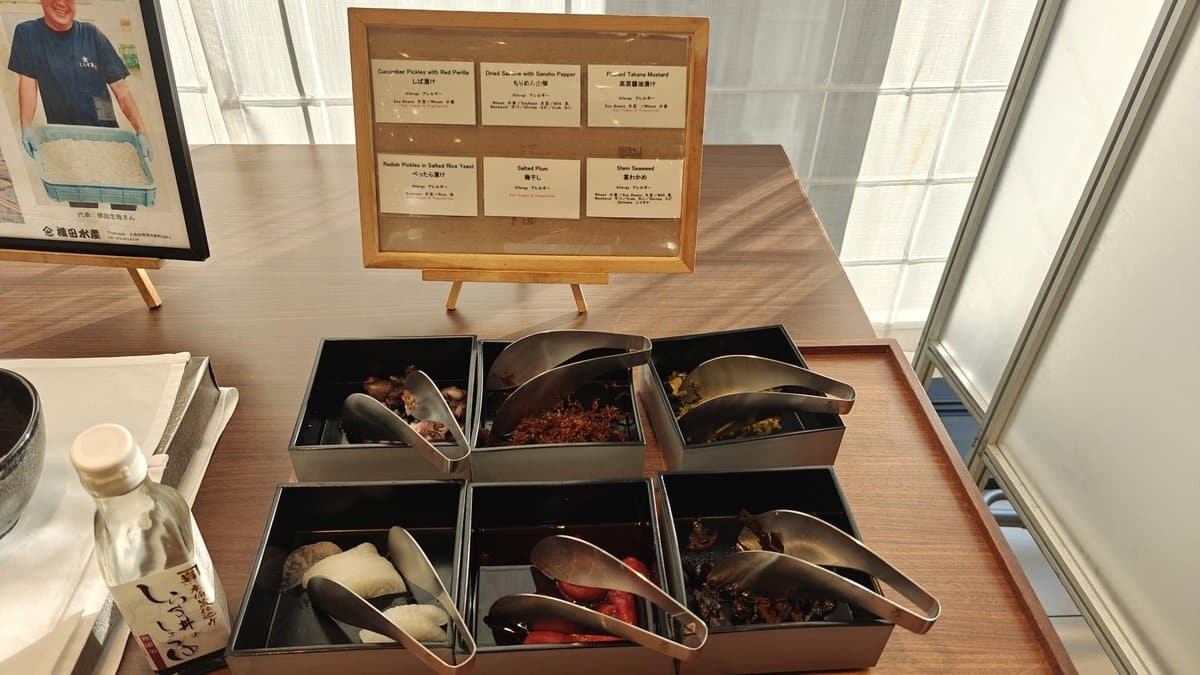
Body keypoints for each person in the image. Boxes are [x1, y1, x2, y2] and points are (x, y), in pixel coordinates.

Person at [7, 0, 150, 160]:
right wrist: (26, 127)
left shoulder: (92, 34)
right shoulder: (28, 33)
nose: (61, 3)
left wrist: (141, 130)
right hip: (65, 142)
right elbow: (28, 84)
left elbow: (120, 89)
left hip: (107, 140)